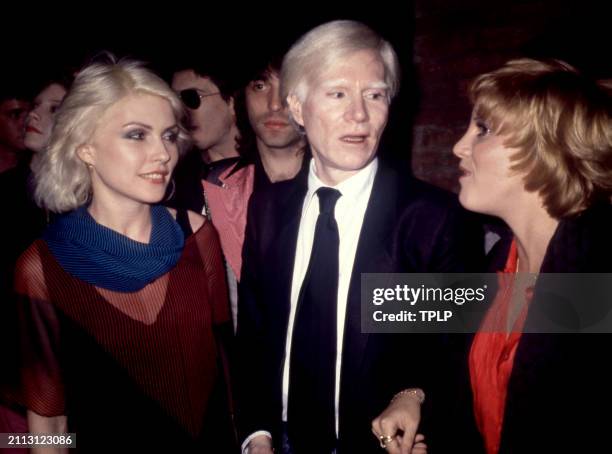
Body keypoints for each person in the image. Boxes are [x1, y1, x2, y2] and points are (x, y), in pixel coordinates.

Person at [236, 20, 482, 454]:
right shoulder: (268, 210)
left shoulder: (429, 219)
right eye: (337, 94)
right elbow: (255, 336)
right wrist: (257, 433)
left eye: (375, 94)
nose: (359, 115)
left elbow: (452, 349)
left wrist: (413, 394)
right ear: (297, 106)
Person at [10, 57, 236, 453]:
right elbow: (49, 422)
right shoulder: (40, 267)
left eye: (168, 136)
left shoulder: (198, 235)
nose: (162, 154)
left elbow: (229, 372)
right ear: (85, 147)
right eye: (136, 135)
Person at [449, 59, 612, 454]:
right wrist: (414, 396)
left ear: (544, 150)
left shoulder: (597, 277)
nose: (459, 146)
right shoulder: (500, 262)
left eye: (483, 129)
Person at [234, 47, 308, 189]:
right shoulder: (212, 185)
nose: (275, 104)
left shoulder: (348, 181)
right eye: (260, 86)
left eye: (290, 88)